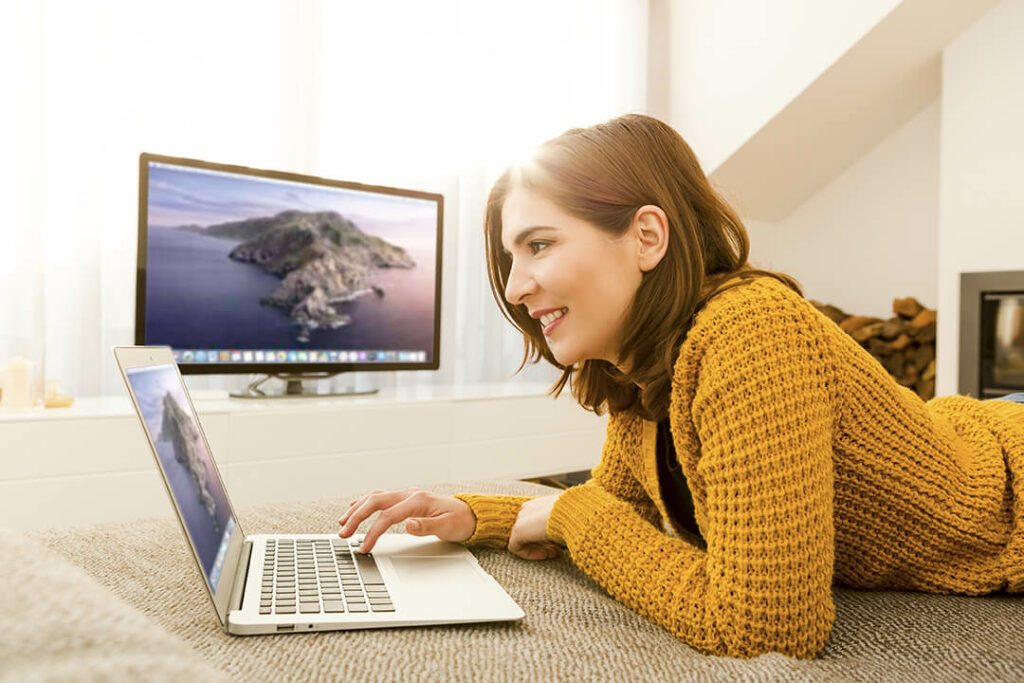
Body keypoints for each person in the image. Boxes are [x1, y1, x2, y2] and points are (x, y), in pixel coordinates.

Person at [338, 114, 1024, 659]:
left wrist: (568, 515)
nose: (517, 288)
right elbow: (619, 503)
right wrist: (474, 514)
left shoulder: (751, 331)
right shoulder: (644, 361)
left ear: (646, 236)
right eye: (511, 258)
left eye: (539, 245)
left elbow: (769, 626)